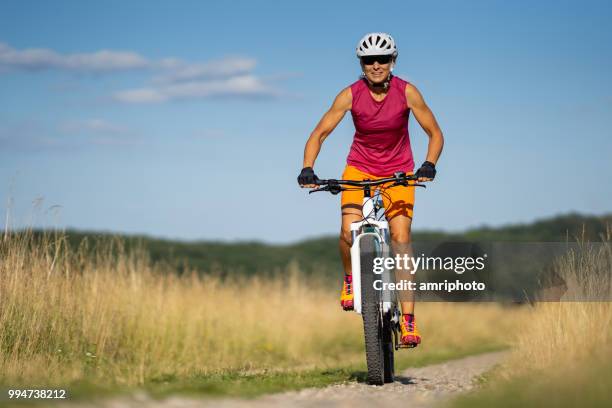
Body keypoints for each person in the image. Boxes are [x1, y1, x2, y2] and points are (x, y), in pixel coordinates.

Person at [297, 33, 444, 347]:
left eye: (382, 59)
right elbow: (319, 133)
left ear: (393, 61)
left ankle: (408, 321)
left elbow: (434, 133)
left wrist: (429, 164)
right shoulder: (349, 95)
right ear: (361, 63)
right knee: (348, 230)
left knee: (402, 240)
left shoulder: (408, 92)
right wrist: (308, 167)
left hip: (399, 172)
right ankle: (350, 279)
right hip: (359, 170)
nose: (376, 65)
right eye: (368, 60)